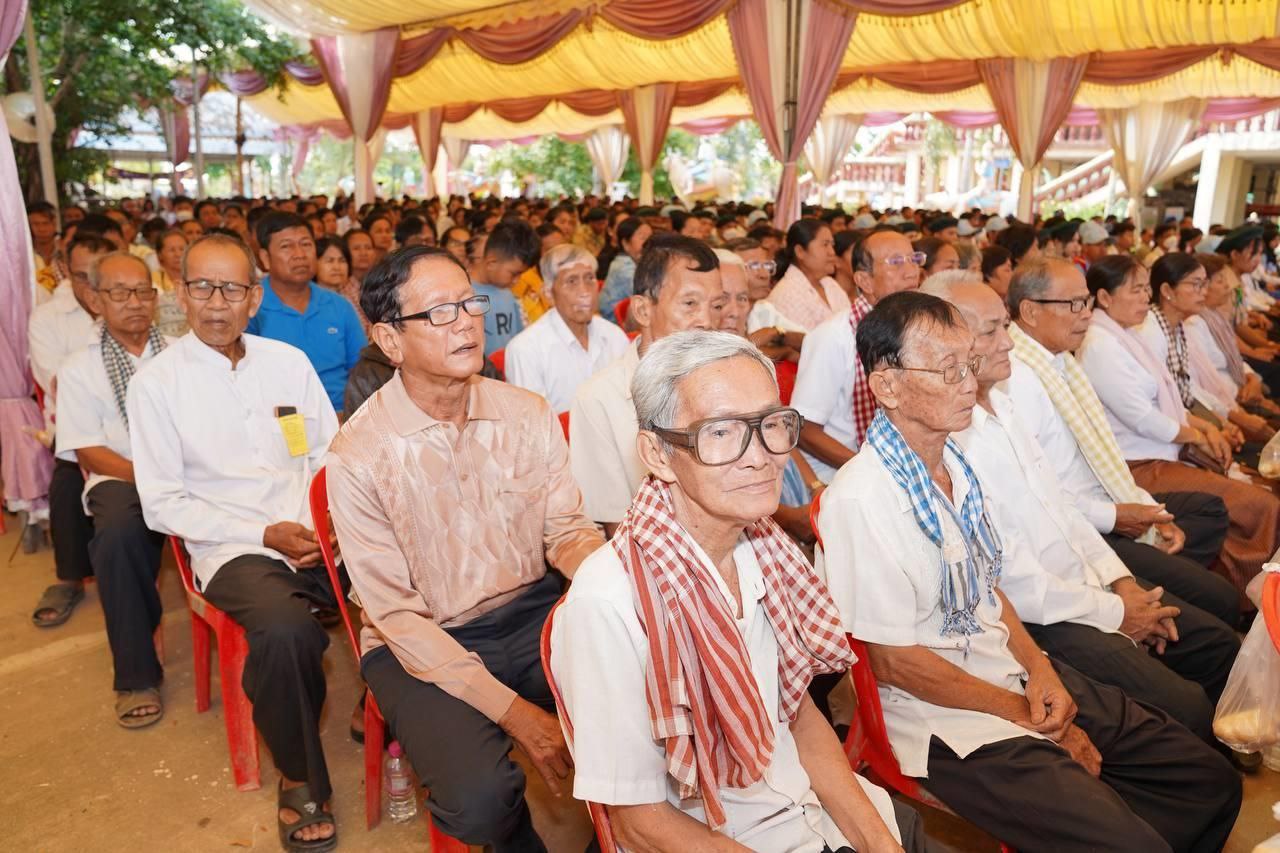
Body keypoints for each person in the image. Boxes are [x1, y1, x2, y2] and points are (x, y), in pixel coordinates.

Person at [819, 290, 1241, 853]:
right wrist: (1033, 715)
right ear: (888, 385)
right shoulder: (861, 498)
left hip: (1011, 672)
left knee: (1206, 780)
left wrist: (1041, 670)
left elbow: (990, 593)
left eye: (969, 363)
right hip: (944, 717)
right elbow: (895, 663)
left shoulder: (954, 466)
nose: (968, 382)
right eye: (948, 369)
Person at [554, 330, 926, 852]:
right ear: (657, 454)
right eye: (721, 432)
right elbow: (640, 824)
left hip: (809, 809)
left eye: (770, 424)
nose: (760, 456)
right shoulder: (609, 604)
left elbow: (797, 716)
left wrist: (880, 843)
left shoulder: (764, 550)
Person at [327, 246, 604, 851]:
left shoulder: (525, 413)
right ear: (390, 340)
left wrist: (609, 576)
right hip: (420, 640)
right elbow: (396, 616)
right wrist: (517, 713)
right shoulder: (359, 456)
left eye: (469, 303)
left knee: (648, 714)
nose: (466, 323)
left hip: (533, 610)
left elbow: (567, 531)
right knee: (481, 802)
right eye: (439, 312)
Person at [927, 276, 1240, 746]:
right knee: (1191, 707)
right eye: (990, 331)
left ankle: (1226, 742)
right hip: (1045, 619)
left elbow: (1061, 508)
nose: (1008, 342)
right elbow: (1013, 581)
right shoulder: (950, 442)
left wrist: (1122, 582)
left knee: (1217, 640)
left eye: (1004, 327)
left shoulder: (1003, 406)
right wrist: (1117, 610)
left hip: (1086, 582)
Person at [128, 233, 341, 851]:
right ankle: (299, 776)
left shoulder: (287, 363)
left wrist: (322, 523)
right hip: (232, 546)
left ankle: (384, 708)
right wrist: (265, 533)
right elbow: (163, 504)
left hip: (313, 530)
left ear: (255, 297)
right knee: (287, 631)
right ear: (180, 293)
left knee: (413, 577)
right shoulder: (157, 384)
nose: (217, 303)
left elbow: (326, 452)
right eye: (203, 287)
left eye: (232, 288)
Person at [1077, 254, 1280, 608]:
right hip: (1140, 463)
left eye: (1146, 289)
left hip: (1161, 450)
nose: (1146, 297)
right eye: (1137, 290)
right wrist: (1200, 435)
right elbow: (1142, 416)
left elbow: (1172, 395)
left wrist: (1206, 428)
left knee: (1252, 497)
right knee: (1258, 503)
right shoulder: (1100, 343)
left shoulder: (1126, 334)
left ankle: (1246, 593)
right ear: (1105, 297)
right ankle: (1255, 599)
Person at [55, 251, 173, 727]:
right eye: (120, 293)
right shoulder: (79, 367)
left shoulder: (182, 353)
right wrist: (151, 478)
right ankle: (136, 675)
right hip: (122, 476)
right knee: (119, 535)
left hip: (192, 472)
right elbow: (88, 451)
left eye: (143, 291)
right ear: (95, 300)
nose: (135, 302)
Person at [570, 235, 725, 535]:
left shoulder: (725, 381)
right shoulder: (599, 399)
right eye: (690, 304)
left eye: (716, 305)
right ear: (642, 311)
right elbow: (618, 527)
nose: (706, 321)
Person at [791, 229, 923, 483]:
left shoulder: (916, 328)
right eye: (896, 262)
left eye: (914, 259)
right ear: (864, 280)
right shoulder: (833, 336)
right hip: (842, 473)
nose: (911, 272)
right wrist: (872, 470)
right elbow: (804, 429)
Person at [28, 236, 111, 625]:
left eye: (100, 275)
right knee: (67, 477)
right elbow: (61, 384)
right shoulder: (47, 318)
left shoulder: (138, 301)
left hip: (136, 422)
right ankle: (69, 578)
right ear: (64, 270)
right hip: (76, 422)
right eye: (82, 276)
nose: (93, 287)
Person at [246, 212, 365, 415]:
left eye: (306, 244)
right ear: (265, 258)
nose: (299, 254)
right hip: (274, 418)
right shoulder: (251, 306)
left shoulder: (338, 305)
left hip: (339, 414)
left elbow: (360, 370)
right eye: (286, 246)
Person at [505, 244, 629, 414]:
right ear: (549, 294)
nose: (584, 292)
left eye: (590, 278)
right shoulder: (526, 350)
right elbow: (532, 424)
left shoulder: (614, 336)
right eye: (571, 281)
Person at [764, 218, 851, 330]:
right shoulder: (786, 295)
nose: (832, 252)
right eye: (825, 245)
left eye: (832, 245)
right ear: (800, 251)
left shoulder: (829, 283)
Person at [471, 220, 539, 357]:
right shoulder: (465, 295)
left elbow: (519, 339)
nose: (517, 280)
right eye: (514, 274)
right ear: (491, 262)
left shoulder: (508, 295)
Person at [599, 217, 652, 325]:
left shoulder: (635, 263)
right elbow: (648, 297)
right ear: (625, 243)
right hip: (612, 325)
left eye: (650, 238)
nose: (648, 243)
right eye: (642, 238)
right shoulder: (623, 267)